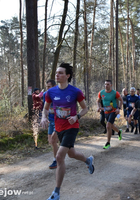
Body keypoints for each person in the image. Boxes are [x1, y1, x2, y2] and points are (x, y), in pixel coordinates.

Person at [41, 63, 94, 200]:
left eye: (60, 73)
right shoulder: (50, 92)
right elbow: (46, 108)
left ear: (67, 76)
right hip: (59, 127)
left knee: (59, 157)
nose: (57, 75)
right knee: (71, 154)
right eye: (56, 73)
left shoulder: (75, 92)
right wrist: (43, 117)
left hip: (72, 127)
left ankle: (56, 193)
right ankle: (88, 160)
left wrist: (76, 116)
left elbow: (85, 109)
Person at [97, 80, 123, 149]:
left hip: (114, 111)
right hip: (106, 111)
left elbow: (121, 100)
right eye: (105, 84)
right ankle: (119, 131)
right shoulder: (101, 92)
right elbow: (98, 101)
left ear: (111, 85)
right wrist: (98, 107)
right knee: (111, 125)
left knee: (108, 125)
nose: (106, 86)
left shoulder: (115, 93)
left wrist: (119, 108)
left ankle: (108, 143)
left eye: (108, 84)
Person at [43, 79, 58, 169]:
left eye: (49, 87)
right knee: (51, 141)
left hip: (58, 121)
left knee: (53, 140)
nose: (47, 88)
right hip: (50, 121)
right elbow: (45, 107)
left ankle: (56, 160)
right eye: (46, 87)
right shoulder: (45, 94)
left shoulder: (58, 94)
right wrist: (44, 117)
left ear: (54, 86)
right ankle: (59, 155)